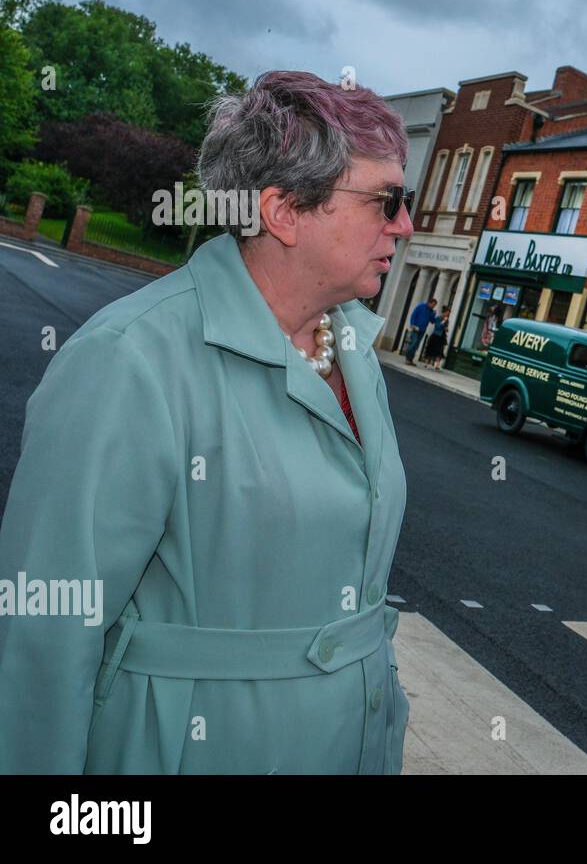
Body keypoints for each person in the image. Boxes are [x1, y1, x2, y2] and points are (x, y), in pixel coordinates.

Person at [0, 70, 415, 773]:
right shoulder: (128, 360)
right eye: (386, 201)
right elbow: (44, 635)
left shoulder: (353, 350)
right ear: (284, 211)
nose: (405, 225)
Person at [405, 295, 436, 365]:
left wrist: (433, 314)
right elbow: (414, 314)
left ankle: (410, 359)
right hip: (416, 328)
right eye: (433, 305)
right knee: (413, 343)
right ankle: (407, 358)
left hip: (422, 330)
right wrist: (412, 324)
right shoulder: (421, 306)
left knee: (416, 345)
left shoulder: (430, 311)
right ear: (429, 303)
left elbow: (432, 321)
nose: (433, 307)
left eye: (434, 306)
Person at [421, 301, 446, 368]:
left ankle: (436, 365)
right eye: (446, 313)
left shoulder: (446, 320)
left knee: (439, 351)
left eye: (448, 314)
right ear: (443, 312)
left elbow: (444, 328)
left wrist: (445, 328)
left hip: (441, 336)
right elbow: (437, 326)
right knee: (431, 349)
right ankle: (426, 363)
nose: (446, 315)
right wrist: (443, 322)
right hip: (435, 335)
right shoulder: (438, 318)